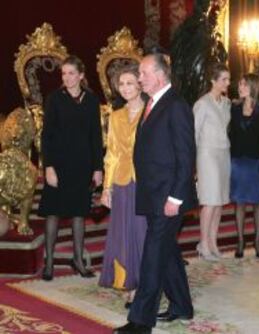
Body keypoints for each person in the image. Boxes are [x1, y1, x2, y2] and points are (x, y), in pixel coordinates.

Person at [114, 50, 196, 334]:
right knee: (167, 252)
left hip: (168, 197)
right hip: (153, 194)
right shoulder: (154, 103)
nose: (139, 79)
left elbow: (186, 156)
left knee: (152, 257)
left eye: (144, 74)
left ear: (159, 76)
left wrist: (176, 197)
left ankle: (140, 322)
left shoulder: (176, 106)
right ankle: (182, 306)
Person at [38, 55, 103, 281]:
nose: (67, 77)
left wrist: (98, 168)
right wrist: (49, 167)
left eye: (71, 73)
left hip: (83, 165)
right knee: (53, 213)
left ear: (81, 75)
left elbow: (96, 136)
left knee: (79, 213)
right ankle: (49, 263)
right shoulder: (55, 99)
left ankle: (77, 260)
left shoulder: (92, 100)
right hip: (58, 164)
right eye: (63, 73)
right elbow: (47, 136)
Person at [99, 64, 147, 308]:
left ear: (140, 84)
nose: (126, 88)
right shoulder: (115, 116)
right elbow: (112, 154)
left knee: (141, 233)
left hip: (144, 182)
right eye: (122, 84)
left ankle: (142, 284)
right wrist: (107, 189)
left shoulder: (150, 112)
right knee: (123, 233)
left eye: (130, 83)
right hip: (121, 182)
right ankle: (128, 282)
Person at [229, 73, 259, 259]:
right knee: (239, 203)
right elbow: (230, 136)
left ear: (254, 87)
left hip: (257, 162)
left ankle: (257, 241)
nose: (240, 87)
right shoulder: (234, 107)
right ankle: (240, 240)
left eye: (244, 85)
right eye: (239, 84)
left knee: (258, 204)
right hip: (238, 162)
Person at [193, 63, 231, 261]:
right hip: (206, 155)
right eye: (224, 79)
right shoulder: (202, 104)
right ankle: (203, 243)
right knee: (209, 201)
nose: (228, 83)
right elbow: (194, 134)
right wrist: (194, 165)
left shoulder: (227, 103)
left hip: (224, 154)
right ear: (213, 81)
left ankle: (213, 242)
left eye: (228, 79)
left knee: (219, 202)